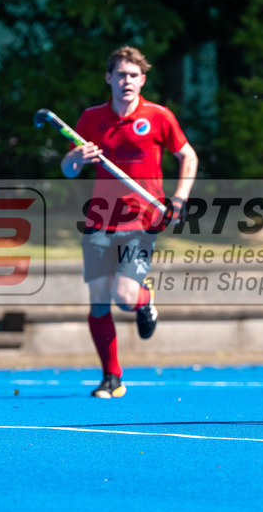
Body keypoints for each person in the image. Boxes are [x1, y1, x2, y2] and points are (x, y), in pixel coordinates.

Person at [61, 45, 198, 399]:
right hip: (99, 220)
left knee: (123, 296)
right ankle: (111, 377)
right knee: (98, 300)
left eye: (133, 75)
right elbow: (68, 170)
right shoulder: (92, 118)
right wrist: (77, 155)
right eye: (121, 74)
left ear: (142, 80)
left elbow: (187, 155)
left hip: (141, 220)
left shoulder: (158, 116)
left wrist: (179, 199)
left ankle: (142, 300)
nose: (127, 81)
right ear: (109, 77)